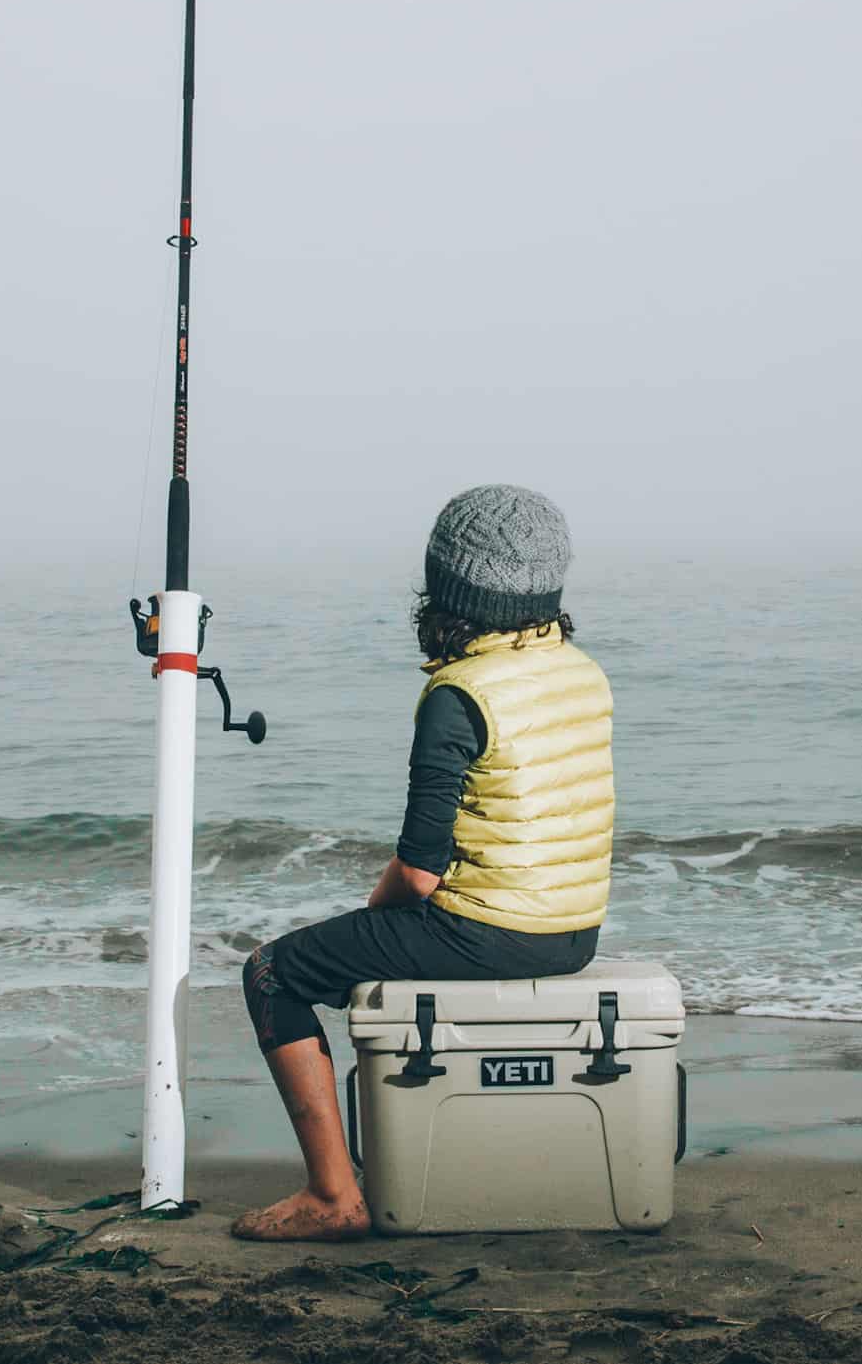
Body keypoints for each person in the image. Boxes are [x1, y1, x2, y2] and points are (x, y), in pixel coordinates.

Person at [233, 484, 614, 1241]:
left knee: (274, 971)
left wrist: (371, 925)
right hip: (576, 930)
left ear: (448, 590)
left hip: (486, 929)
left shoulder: (458, 693)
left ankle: (333, 1194)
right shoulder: (583, 671)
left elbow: (418, 874)